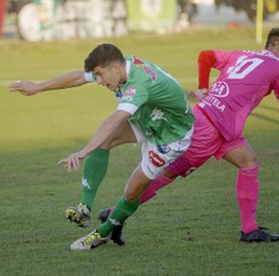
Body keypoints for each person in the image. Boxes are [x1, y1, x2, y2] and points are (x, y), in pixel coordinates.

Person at [99, 28, 279, 244]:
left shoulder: (244, 54)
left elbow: (206, 56)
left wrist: (204, 87)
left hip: (215, 121)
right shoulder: (276, 66)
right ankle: (113, 213)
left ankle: (249, 230)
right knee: (166, 174)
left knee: (249, 162)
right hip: (210, 128)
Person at [10, 43, 195, 250]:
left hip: (170, 136)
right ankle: (84, 207)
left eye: (100, 75)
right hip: (149, 118)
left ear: (115, 68)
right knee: (104, 140)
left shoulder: (138, 84)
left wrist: (84, 151)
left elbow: (115, 120)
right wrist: (38, 87)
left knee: (132, 192)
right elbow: (80, 77)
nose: (98, 81)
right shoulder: (121, 66)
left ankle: (102, 233)